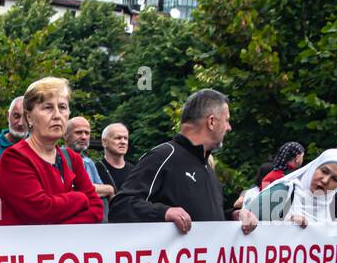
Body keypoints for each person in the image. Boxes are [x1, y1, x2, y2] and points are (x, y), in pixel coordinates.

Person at [110, 88, 259, 236]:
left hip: (206, 258)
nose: (229, 128)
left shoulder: (206, 165)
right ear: (211, 121)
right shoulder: (163, 156)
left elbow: (208, 218)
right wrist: (165, 212)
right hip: (169, 259)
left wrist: (234, 215)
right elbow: (121, 206)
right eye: (226, 120)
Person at [0, 77, 103, 226]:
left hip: (63, 248)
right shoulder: (14, 158)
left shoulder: (72, 158)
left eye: (62, 107)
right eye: (48, 107)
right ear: (29, 117)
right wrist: (81, 198)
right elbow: (41, 211)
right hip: (24, 248)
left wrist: (59, 228)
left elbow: (97, 209)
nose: (57, 115)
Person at [247, 149, 337, 225]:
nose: (325, 180)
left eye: (335, 179)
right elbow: (244, 225)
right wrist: (286, 226)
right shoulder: (284, 190)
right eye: (324, 171)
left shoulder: (335, 200)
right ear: (314, 167)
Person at [95, 122, 131, 193]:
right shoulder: (95, 170)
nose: (123, 142)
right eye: (118, 138)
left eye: (125, 138)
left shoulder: (135, 171)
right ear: (104, 142)